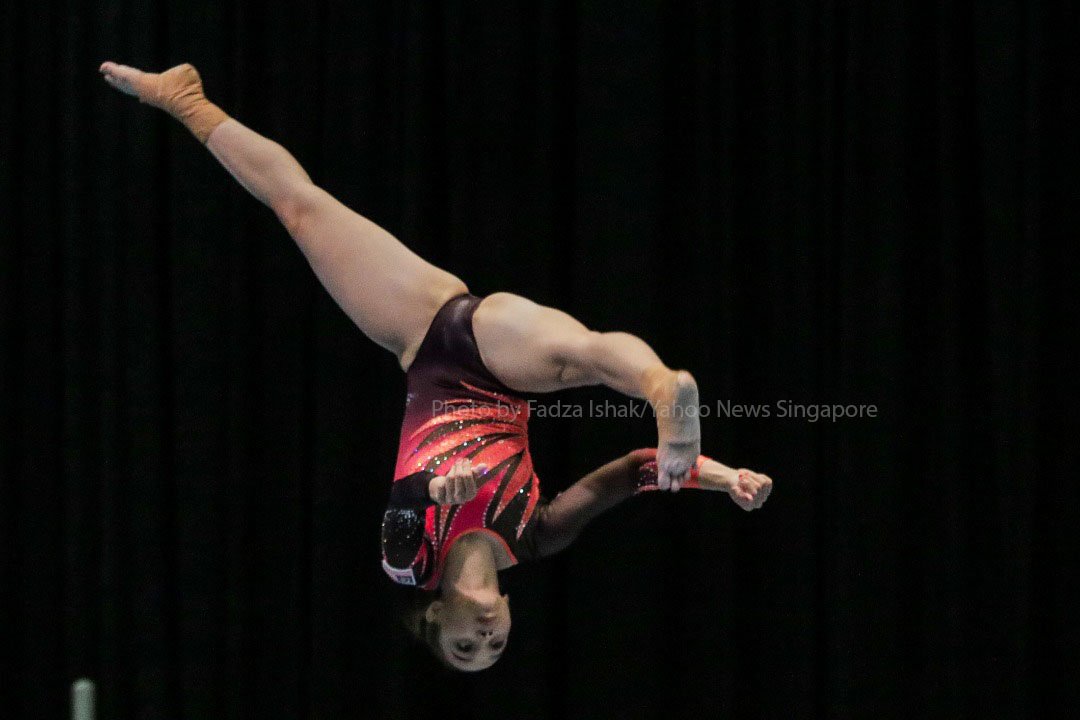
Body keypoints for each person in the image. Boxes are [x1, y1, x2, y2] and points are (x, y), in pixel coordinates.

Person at [99, 62, 774, 672]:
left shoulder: (408, 566)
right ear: (509, 616)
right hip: (500, 366)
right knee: (583, 356)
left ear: (433, 619)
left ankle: (188, 101)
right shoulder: (534, 537)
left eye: (465, 647)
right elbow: (632, 473)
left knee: (301, 209)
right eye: (496, 644)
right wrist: (718, 478)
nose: (485, 634)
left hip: (423, 336)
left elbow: (400, 512)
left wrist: (431, 494)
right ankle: (663, 390)